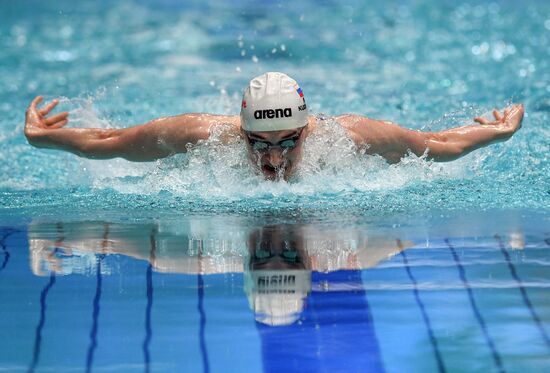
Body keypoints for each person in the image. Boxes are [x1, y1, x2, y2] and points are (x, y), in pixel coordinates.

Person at [24, 72, 524, 181]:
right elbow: (108, 144)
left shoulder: (348, 138)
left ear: (310, 128)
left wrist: (496, 133)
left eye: (288, 141)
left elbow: (436, 145)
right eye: (257, 142)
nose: (273, 159)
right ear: (238, 129)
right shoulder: (201, 135)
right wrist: (44, 139)